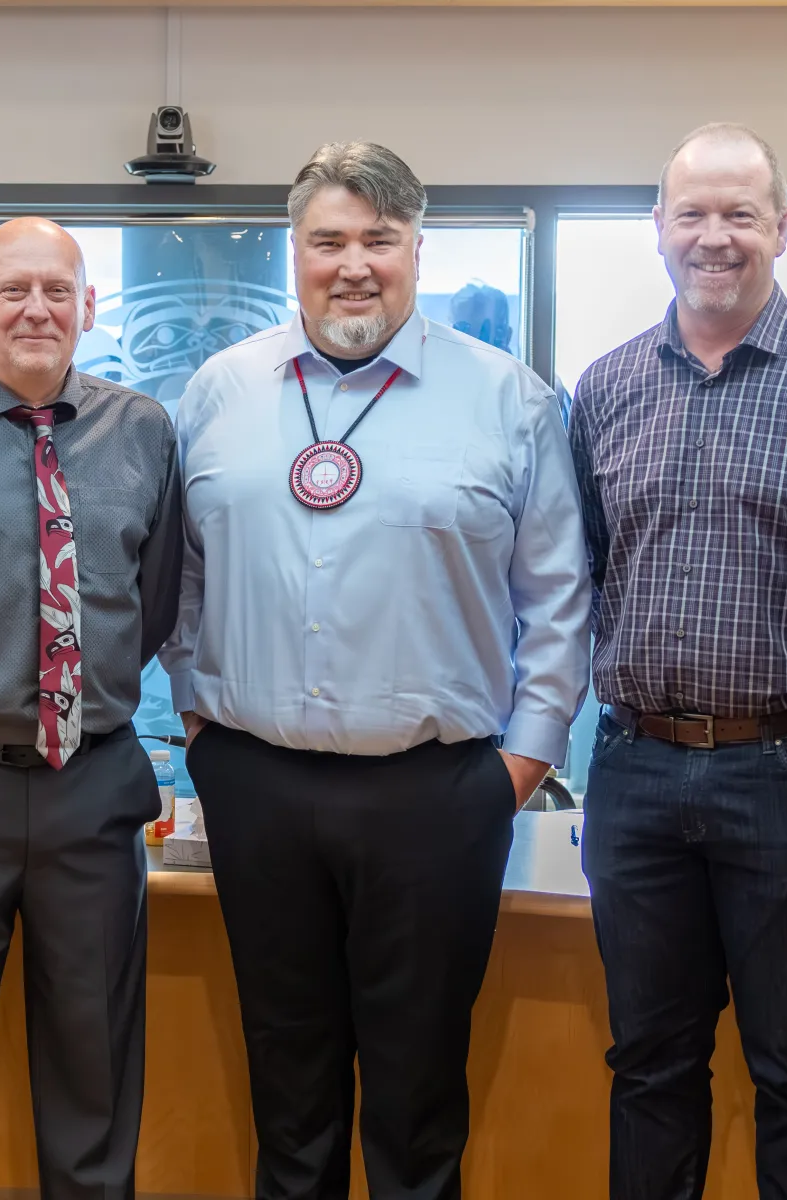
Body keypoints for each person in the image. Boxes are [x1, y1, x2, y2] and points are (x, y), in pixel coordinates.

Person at [162, 142, 590, 1200]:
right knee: (287, 1089)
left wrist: (518, 768)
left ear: (416, 251)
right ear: (294, 251)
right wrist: (201, 730)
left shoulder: (508, 399)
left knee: (417, 1098)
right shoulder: (219, 391)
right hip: (256, 785)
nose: (354, 265)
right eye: (329, 241)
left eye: (379, 240)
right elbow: (179, 578)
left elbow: (559, 601)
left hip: (436, 795)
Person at [566, 123, 787, 1200]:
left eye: (740, 215)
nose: (714, 237)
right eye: (693, 214)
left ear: (784, 228)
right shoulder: (607, 386)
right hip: (635, 771)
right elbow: (587, 571)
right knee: (648, 1064)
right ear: (658, 227)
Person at [0, 218, 185, 1200]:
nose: (36, 310)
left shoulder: (143, 430)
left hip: (91, 786)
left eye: (58, 291)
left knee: (94, 1066)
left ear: (89, 307)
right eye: (13, 290)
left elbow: (155, 600)